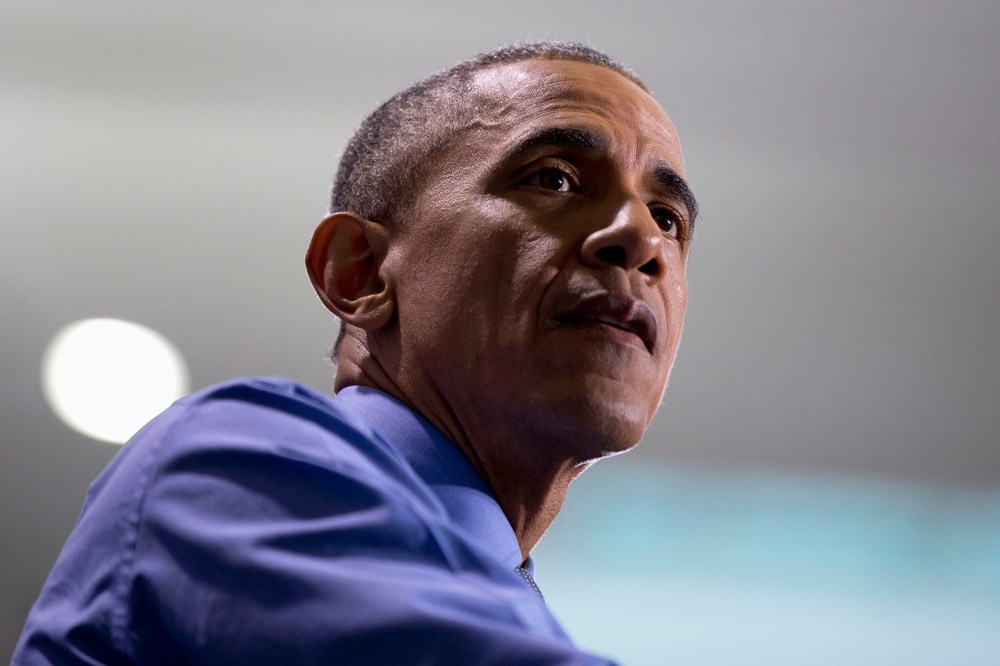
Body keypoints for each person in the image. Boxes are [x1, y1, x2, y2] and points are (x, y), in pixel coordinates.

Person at [14, 41, 698, 665]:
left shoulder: (508, 612)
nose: (640, 239)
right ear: (359, 273)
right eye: (553, 179)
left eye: (669, 219)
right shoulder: (231, 468)